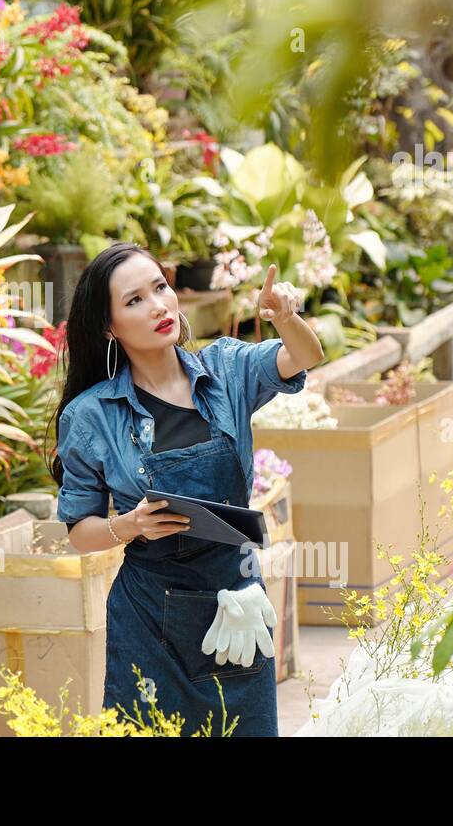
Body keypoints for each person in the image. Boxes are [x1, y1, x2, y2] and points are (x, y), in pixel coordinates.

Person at [47, 241, 325, 735]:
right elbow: (80, 531)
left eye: (160, 287)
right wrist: (129, 525)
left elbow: (304, 356)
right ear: (109, 326)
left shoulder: (226, 370)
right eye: (134, 300)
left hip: (235, 604)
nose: (158, 305)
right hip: (148, 619)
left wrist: (284, 316)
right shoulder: (91, 416)